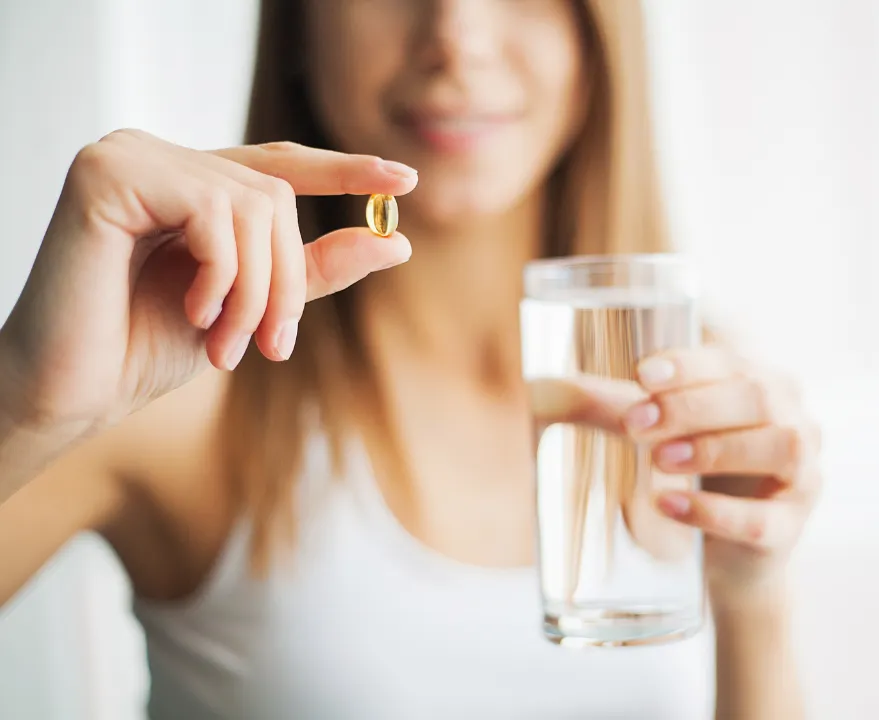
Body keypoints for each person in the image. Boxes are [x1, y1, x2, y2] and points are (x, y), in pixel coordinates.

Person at [0, 1, 820, 718]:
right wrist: (19, 406)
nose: (455, 37)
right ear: (298, 23)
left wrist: (751, 600)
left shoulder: (695, 383)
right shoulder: (179, 375)